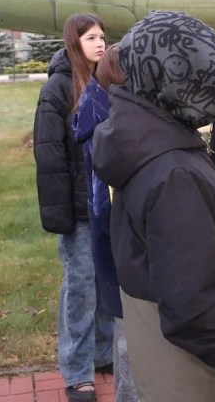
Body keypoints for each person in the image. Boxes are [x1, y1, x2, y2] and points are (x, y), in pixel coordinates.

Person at [93, 11, 215, 402]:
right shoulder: (172, 171)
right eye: (212, 77)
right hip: (197, 375)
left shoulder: (150, 142)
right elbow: (193, 305)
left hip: (169, 364)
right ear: (178, 80)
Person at [33, 13, 114, 402]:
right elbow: (49, 158)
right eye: (91, 38)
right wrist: (60, 215)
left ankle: (103, 353)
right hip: (78, 211)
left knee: (104, 282)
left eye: (102, 37)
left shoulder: (106, 83)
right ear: (74, 43)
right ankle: (77, 370)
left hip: (106, 205)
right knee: (80, 288)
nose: (100, 43)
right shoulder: (58, 89)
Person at [72, 44, 138, 402]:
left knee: (129, 333)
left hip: (119, 247)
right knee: (129, 335)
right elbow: (106, 205)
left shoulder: (103, 115)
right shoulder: (106, 130)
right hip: (121, 249)